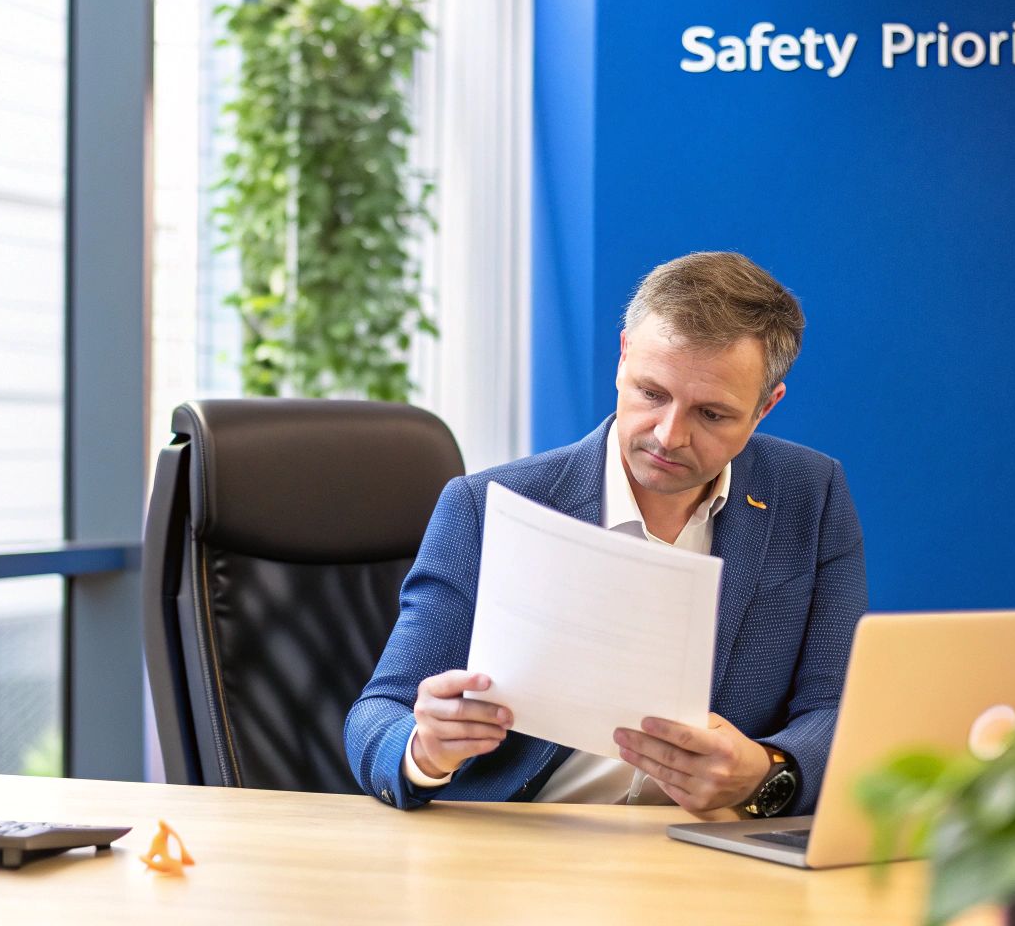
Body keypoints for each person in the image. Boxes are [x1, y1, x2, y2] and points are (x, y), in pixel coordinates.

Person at [343, 251, 867, 820]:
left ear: (766, 406)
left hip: (708, 850)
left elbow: (837, 707)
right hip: (528, 840)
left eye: (712, 414)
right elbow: (378, 715)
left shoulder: (810, 496)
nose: (670, 436)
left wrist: (766, 771)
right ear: (622, 360)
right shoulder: (488, 506)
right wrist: (426, 748)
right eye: (652, 393)